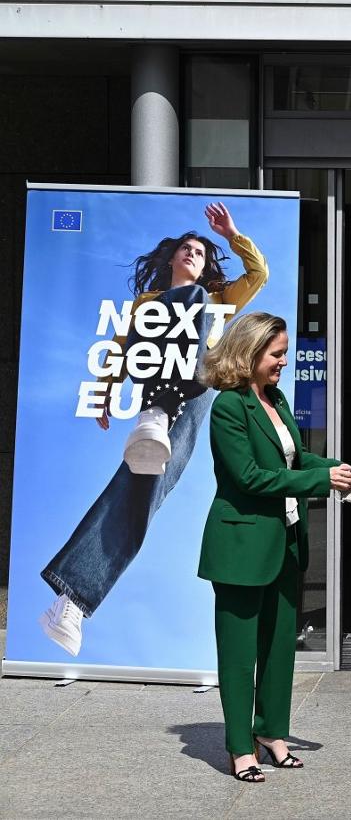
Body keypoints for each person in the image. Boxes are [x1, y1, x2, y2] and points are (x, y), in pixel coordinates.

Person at [39, 203, 268, 656]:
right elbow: (122, 348)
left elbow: (258, 273)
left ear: (207, 265)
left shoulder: (216, 299)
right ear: (170, 259)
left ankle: (72, 600)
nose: (191, 254)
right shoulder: (147, 304)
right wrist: (105, 391)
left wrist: (230, 233)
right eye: (185, 249)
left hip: (192, 400)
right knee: (178, 309)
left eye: (199, 253)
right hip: (154, 391)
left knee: (143, 491)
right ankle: (154, 415)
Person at [197, 312, 351, 782]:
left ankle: (271, 733)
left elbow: (294, 458)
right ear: (249, 355)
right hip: (240, 546)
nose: (284, 362)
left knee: (277, 650)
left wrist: (334, 468)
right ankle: (238, 747)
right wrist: (318, 478)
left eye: (284, 353)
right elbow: (250, 477)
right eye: (276, 354)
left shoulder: (276, 399)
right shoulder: (229, 407)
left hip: (285, 542)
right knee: (238, 653)